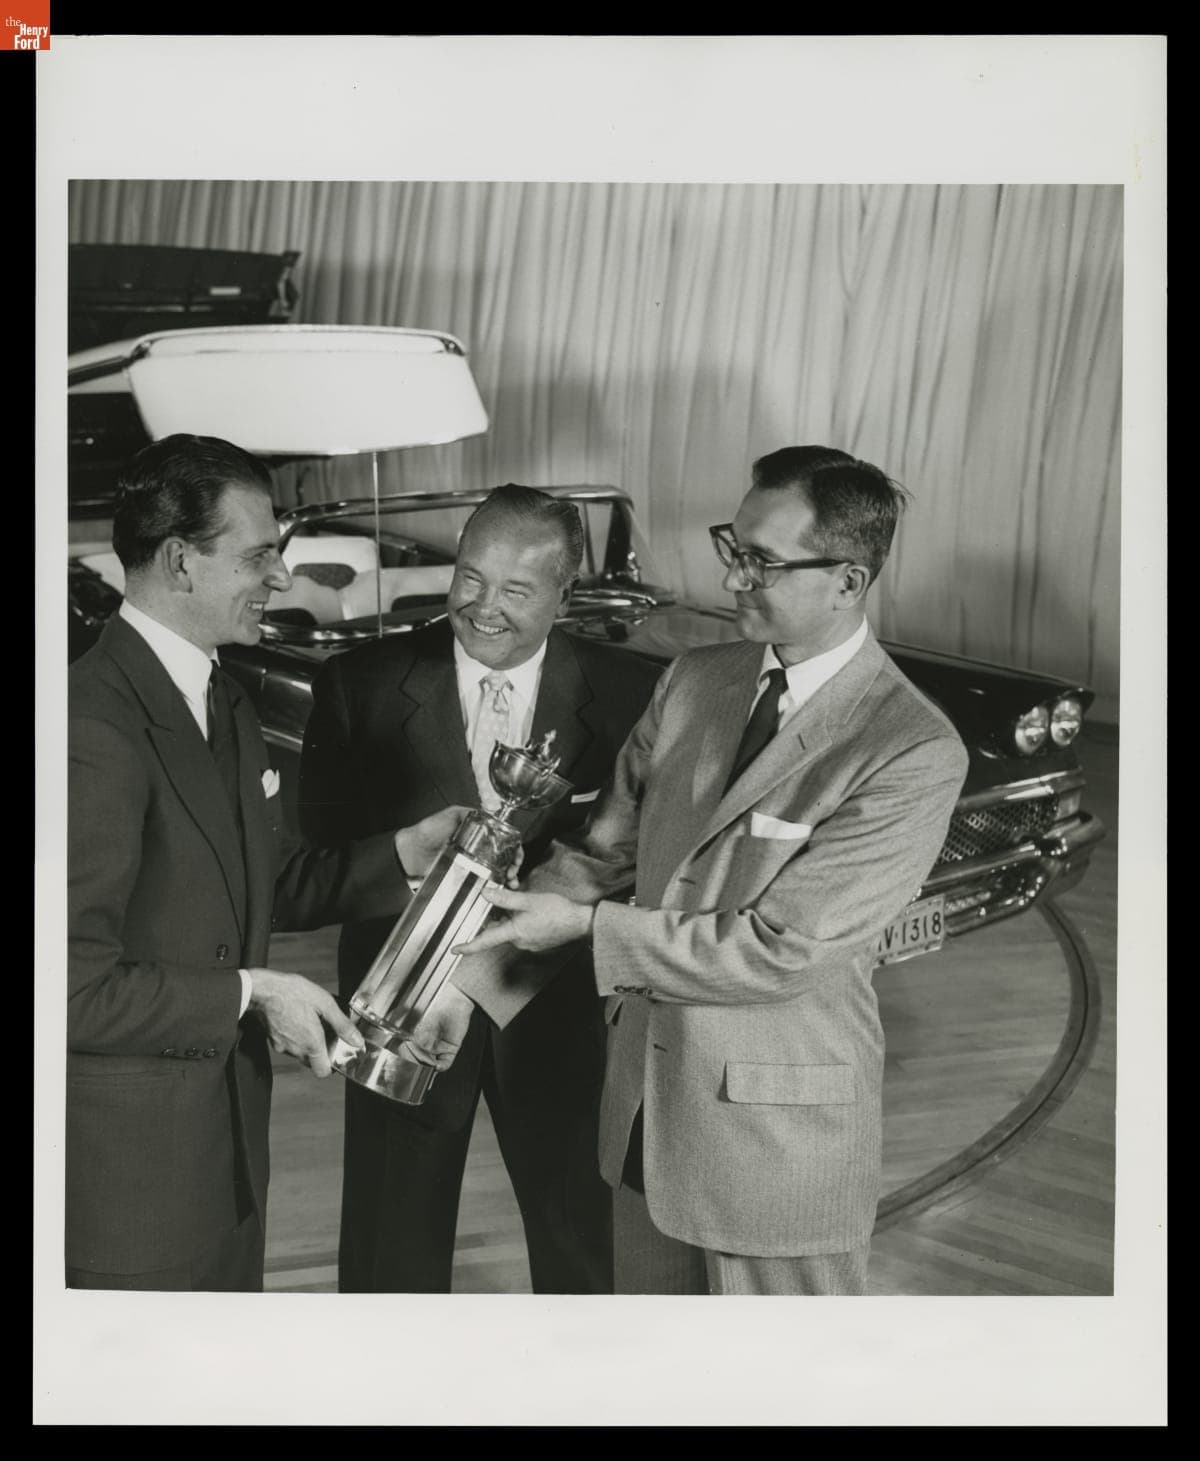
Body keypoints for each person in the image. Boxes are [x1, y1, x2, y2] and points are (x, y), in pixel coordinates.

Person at [447, 446, 971, 1296]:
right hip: (643, 1121)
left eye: (762, 562)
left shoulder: (908, 747)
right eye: (736, 548)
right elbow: (599, 856)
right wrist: (455, 983)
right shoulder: (696, 680)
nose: (734, 580)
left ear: (848, 580)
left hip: (777, 1147)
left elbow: (778, 948)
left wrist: (585, 932)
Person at [67, 433, 467, 1292]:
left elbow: (262, 884)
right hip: (124, 1184)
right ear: (179, 560)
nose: (282, 579)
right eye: (259, 557)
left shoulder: (226, 697)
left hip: (227, 1160)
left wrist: (405, 852)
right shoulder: (87, 729)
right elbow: (65, 987)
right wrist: (256, 993)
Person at [298, 484, 662, 1293]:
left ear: (566, 592)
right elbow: (315, 866)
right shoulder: (358, 684)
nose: (482, 607)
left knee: (584, 1251)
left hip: (560, 1013)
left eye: (516, 590)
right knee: (390, 1254)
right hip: (401, 1010)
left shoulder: (637, 693)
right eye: (470, 577)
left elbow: (646, 862)